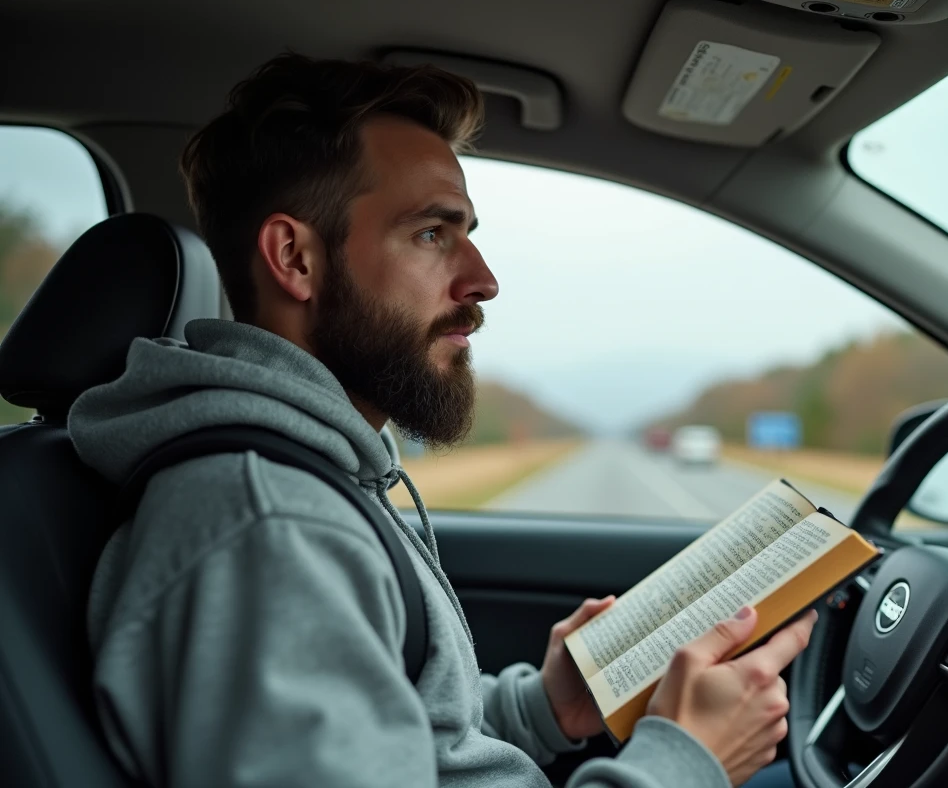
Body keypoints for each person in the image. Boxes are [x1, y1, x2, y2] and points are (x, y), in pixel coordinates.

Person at [69, 53, 817, 788]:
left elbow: (410, 737)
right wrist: (685, 762)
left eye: (467, 234)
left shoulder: (317, 479)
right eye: (432, 233)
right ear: (295, 258)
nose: (483, 280)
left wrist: (545, 707)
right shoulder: (268, 527)